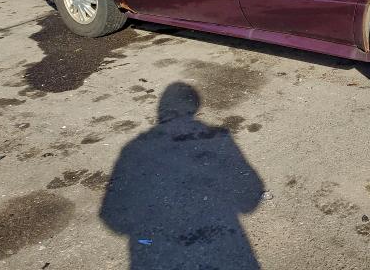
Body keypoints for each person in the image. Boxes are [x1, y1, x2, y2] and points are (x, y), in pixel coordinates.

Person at [100, 82, 263, 269]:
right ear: (195, 107)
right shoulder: (219, 140)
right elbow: (250, 197)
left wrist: (152, 229)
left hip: (158, 255)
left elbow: (113, 216)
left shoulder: (135, 149)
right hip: (220, 253)